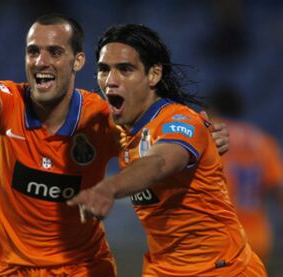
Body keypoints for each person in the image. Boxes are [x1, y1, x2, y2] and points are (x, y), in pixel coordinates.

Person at [0, 14, 229, 276]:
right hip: (9, 268)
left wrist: (201, 136)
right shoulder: (10, 102)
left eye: (54, 52)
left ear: (77, 61)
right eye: (33, 51)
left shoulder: (102, 119)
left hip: (82, 269)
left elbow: (157, 147)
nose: (41, 61)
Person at [68, 24, 266, 276]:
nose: (111, 80)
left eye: (125, 69)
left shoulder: (179, 121)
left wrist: (108, 188)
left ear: (153, 75)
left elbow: (160, 162)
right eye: (104, 69)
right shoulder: (117, 123)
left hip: (223, 269)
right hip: (164, 269)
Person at [209, 85, 283, 265]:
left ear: (213, 109)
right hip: (257, 238)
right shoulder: (263, 141)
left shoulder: (212, 136)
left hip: (219, 239)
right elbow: (278, 190)